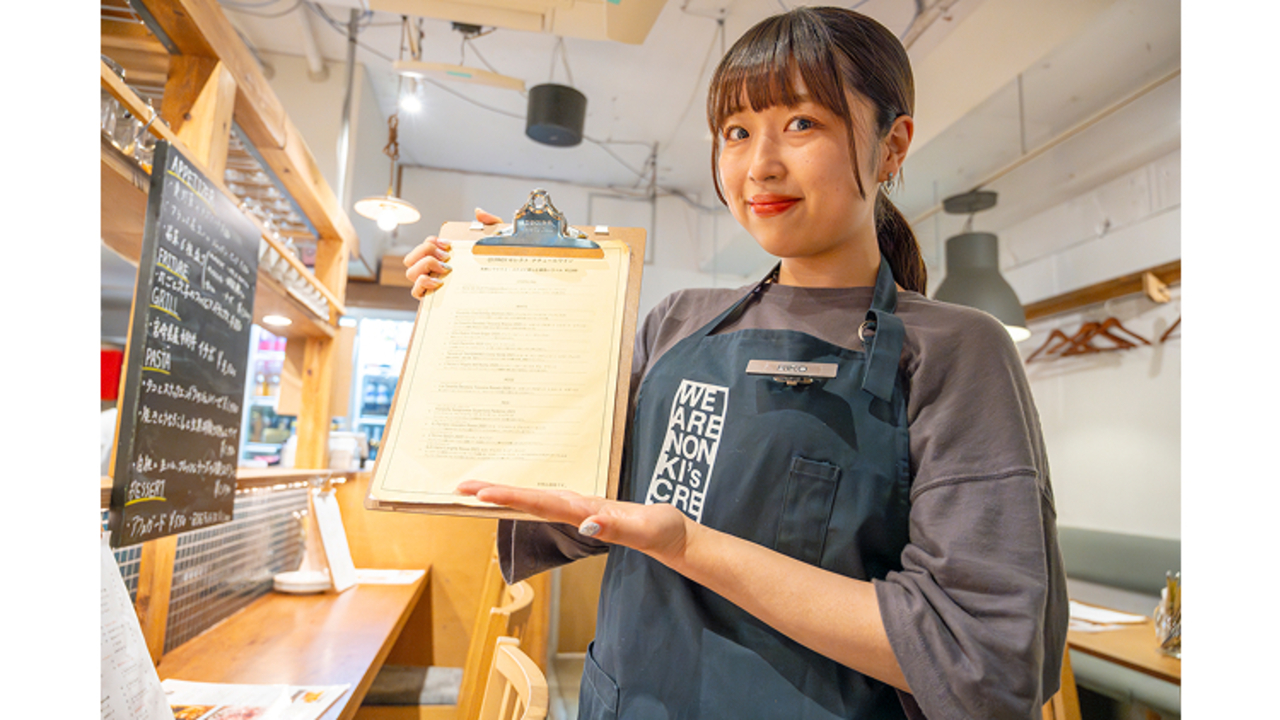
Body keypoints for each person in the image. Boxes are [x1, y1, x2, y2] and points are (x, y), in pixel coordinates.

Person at [403, 7, 1067, 719]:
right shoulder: (676, 323)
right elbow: (567, 497)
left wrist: (689, 545)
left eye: (803, 124)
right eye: (737, 133)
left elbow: (978, 659)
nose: (760, 165)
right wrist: (490, 305)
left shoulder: (956, 351)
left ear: (892, 146)